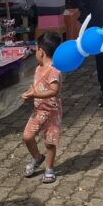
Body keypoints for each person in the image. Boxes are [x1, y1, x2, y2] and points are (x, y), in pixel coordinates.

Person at [22, 32, 64, 184]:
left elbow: (54, 91)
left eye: (35, 50)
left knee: (50, 142)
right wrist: (29, 93)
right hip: (38, 111)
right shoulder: (39, 68)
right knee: (27, 136)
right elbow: (36, 87)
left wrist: (35, 94)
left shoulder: (54, 70)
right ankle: (37, 157)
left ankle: (49, 168)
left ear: (41, 51)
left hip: (52, 113)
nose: (35, 53)